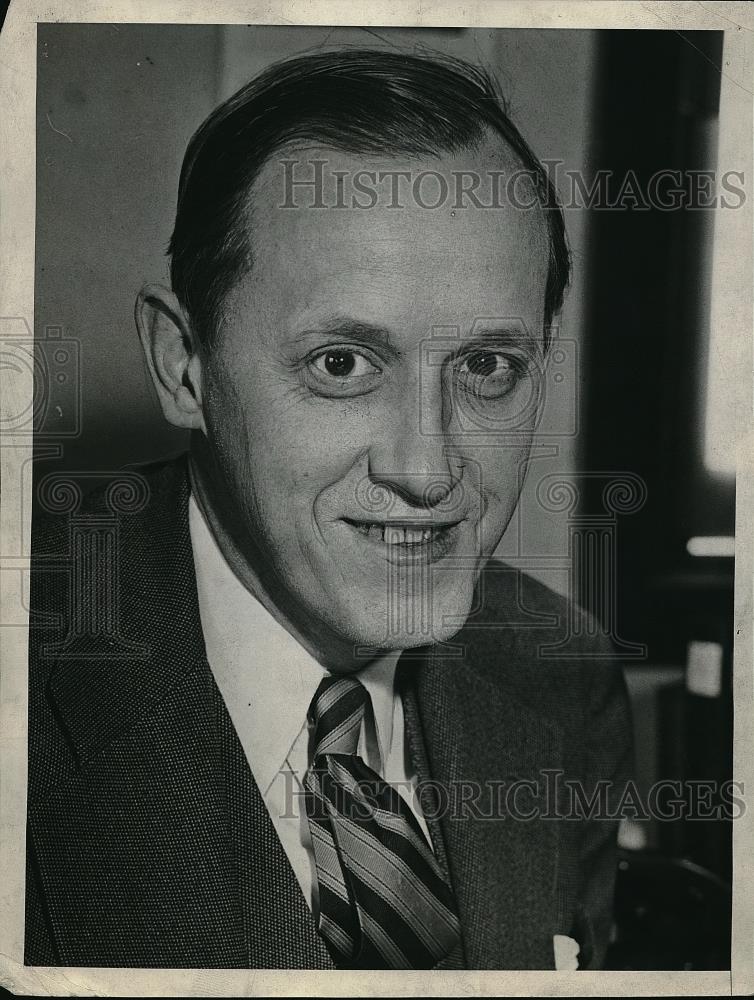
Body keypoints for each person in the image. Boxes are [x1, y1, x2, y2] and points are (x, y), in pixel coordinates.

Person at [24, 47, 633, 971]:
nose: (427, 471)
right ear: (182, 363)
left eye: (486, 368)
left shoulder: (563, 675)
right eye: (342, 364)